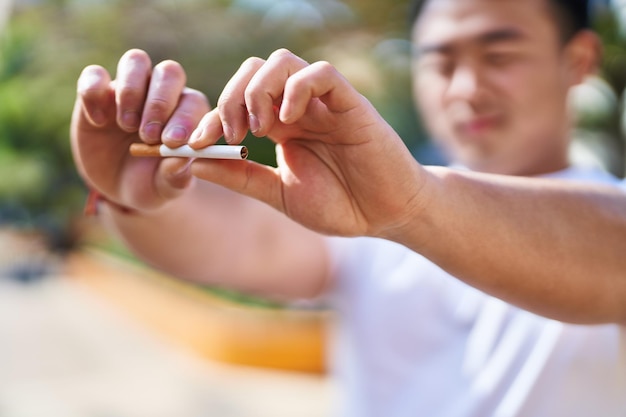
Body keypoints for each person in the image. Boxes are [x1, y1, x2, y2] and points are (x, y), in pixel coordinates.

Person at [71, 0, 626, 415]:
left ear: (578, 60)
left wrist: (412, 203)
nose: (465, 88)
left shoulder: (600, 223)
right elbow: (238, 243)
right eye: (440, 62)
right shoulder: (369, 215)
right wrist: (135, 193)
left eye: (500, 55)